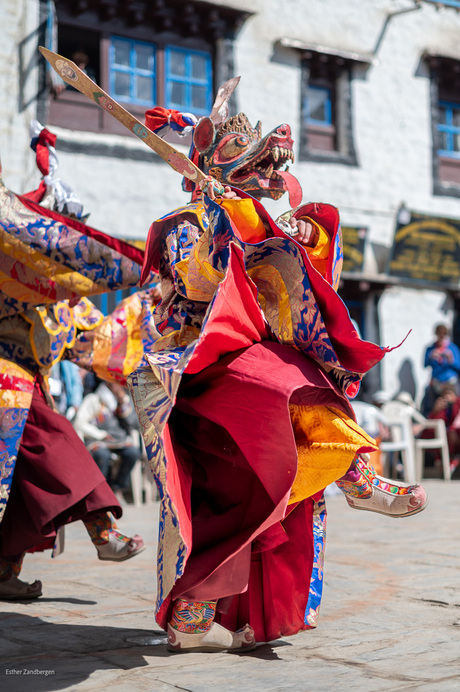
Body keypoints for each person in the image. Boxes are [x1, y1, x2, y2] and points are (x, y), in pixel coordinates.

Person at [126, 87, 427, 653]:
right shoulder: (180, 224)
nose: (271, 173)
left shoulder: (268, 220)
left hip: (253, 359)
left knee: (260, 488)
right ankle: (358, 479)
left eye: (271, 165)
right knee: (289, 389)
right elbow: (195, 286)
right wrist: (218, 221)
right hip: (203, 371)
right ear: (219, 167)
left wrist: (278, 230)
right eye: (256, 162)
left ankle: (200, 612)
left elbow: (304, 281)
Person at [0, 124, 159, 600]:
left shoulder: (65, 302)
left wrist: (154, 304)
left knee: (26, 484)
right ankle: (101, 532)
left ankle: (2, 572)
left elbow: (103, 343)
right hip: (6, 380)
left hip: (29, 384)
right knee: (59, 446)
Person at [73, 382, 142, 505]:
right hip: (98, 440)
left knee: (133, 453)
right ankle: (102, 491)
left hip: (119, 440)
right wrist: (101, 435)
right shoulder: (94, 399)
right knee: (102, 455)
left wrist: (122, 404)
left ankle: (118, 487)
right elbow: (79, 423)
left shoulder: (123, 399)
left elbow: (133, 425)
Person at [423, 324, 460, 415]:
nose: (441, 337)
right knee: (435, 407)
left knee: (453, 406)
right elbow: (425, 365)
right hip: (436, 383)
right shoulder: (430, 348)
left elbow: (458, 366)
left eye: (443, 335)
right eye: (439, 334)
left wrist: (450, 359)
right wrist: (431, 356)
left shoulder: (452, 348)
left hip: (450, 382)